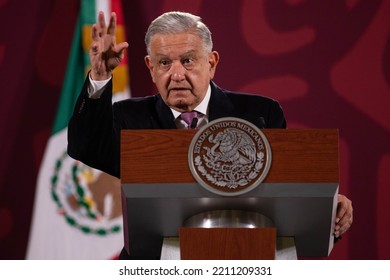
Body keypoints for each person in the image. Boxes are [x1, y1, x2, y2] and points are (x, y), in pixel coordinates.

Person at [67, 11, 353, 259]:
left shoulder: (259, 113)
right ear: (150, 68)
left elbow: (283, 188)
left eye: (188, 60)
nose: (176, 74)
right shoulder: (129, 117)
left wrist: (328, 206)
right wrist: (100, 76)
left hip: (246, 258)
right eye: (164, 63)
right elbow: (85, 146)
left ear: (212, 62)